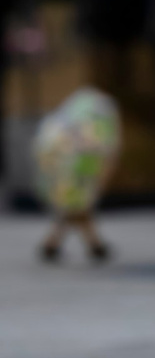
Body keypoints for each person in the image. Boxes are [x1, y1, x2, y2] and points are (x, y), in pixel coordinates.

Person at [33, 87, 120, 265]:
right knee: (77, 206)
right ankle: (90, 245)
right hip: (80, 169)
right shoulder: (95, 121)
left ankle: (57, 243)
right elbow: (105, 145)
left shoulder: (75, 117)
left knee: (76, 207)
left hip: (72, 167)